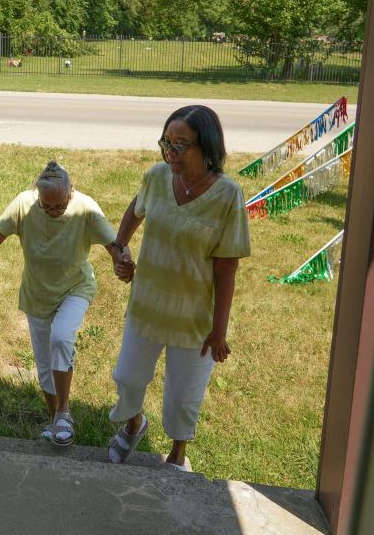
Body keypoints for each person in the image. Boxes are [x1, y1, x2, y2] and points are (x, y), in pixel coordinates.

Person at [106, 105, 250, 472]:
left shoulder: (228, 196)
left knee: (183, 397)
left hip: (193, 319)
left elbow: (226, 269)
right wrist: (119, 250)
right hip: (147, 304)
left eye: (181, 145)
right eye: (167, 143)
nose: (171, 153)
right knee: (127, 376)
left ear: (208, 147)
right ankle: (135, 423)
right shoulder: (157, 177)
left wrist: (219, 330)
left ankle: (177, 454)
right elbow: (135, 210)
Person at [0, 161, 129, 446]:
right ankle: (55, 419)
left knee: (61, 338)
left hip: (75, 287)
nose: (54, 212)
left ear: (72, 192)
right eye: (48, 207)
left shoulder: (85, 208)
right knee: (44, 365)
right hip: (37, 294)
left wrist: (123, 262)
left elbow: (115, 244)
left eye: (60, 206)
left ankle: (64, 411)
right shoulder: (24, 204)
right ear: (38, 197)